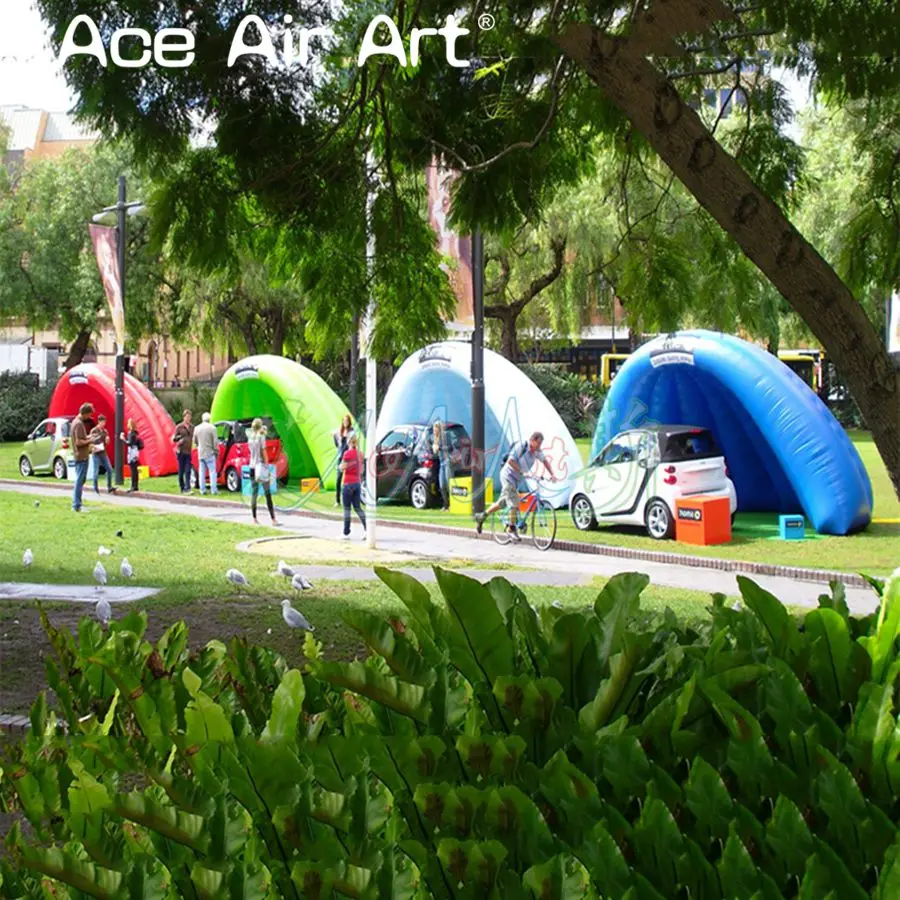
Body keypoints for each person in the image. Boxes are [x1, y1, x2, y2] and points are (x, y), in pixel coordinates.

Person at [474, 431, 556, 541]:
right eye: (538, 443)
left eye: (541, 444)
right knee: (514, 502)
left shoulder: (537, 452)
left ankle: (482, 516)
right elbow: (510, 461)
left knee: (502, 503)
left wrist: (552, 474)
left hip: (516, 480)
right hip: (508, 476)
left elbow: (545, 461)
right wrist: (522, 471)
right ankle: (511, 529)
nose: (539, 446)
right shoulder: (522, 446)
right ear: (532, 440)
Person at [248, 418, 278, 526]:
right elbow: (264, 452)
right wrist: (267, 465)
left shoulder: (250, 438)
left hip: (252, 466)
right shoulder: (261, 437)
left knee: (254, 493)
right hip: (260, 466)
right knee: (267, 493)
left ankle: (254, 518)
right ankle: (273, 519)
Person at [339, 433, 366, 540]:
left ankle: (346, 532)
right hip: (357, 483)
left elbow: (343, 467)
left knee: (347, 509)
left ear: (349, 441)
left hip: (348, 483)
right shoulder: (360, 454)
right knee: (357, 507)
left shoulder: (347, 454)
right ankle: (367, 529)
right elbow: (362, 470)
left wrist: (340, 466)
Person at [71, 403, 95, 512]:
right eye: (89, 414)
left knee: (81, 479)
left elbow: (81, 438)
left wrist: (89, 436)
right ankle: (76, 505)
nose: (89, 417)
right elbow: (78, 442)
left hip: (80, 455)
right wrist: (91, 440)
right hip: (81, 456)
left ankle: (77, 503)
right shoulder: (79, 424)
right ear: (85, 413)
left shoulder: (75, 422)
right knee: (79, 480)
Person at [89, 414, 116, 494]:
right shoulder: (94, 430)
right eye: (102, 422)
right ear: (99, 422)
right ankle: (95, 488)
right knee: (96, 471)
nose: (103, 424)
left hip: (103, 452)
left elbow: (106, 443)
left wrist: (107, 441)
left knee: (109, 469)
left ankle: (109, 486)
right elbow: (90, 442)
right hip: (96, 452)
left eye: (104, 422)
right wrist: (94, 447)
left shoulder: (105, 431)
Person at [193, 412, 219, 495]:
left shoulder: (197, 428)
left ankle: (202, 490)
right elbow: (215, 442)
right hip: (210, 453)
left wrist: (198, 446)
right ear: (209, 419)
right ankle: (214, 490)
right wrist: (216, 451)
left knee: (201, 472)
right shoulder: (213, 428)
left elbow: (195, 441)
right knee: (212, 472)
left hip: (201, 453)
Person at [332, 414, 354, 506]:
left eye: (347, 421)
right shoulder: (339, 431)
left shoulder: (352, 432)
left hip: (348, 458)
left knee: (349, 480)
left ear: (349, 422)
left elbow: (353, 443)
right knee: (338, 479)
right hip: (341, 457)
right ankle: (337, 501)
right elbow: (336, 442)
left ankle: (351, 500)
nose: (345, 423)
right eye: (344, 421)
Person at [172, 410, 194, 494]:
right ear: (184, 417)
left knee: (188, 470)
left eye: (189, 417)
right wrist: (179, 439)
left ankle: (187, 487)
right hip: (180, 451)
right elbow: (174, 438)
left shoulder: (192, 427)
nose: (188, 419)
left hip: (188, 451)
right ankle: (182, 486)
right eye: (187, 417)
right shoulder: (179, 427)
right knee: (181, 470)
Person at [120, 418, 144, 492]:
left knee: (133, 469)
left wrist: (123, 438)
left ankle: (133, 486)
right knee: (135, 469)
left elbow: (129, 443)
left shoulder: (131, 433)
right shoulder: (136, 433)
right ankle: (135, 485)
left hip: (132, 452)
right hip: (135, 451)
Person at [432, 421, 451, 510]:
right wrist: (434, 450)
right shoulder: (435, 438)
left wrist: (439, 448)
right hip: (441, 462)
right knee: (442, 485)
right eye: (434, 430)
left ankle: (452, 504)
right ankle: (446, 505)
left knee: (448, 484)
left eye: (436, 429)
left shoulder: (446, 436)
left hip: (447, 461)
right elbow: (436, 453)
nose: (435, 431)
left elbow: (450, 447)